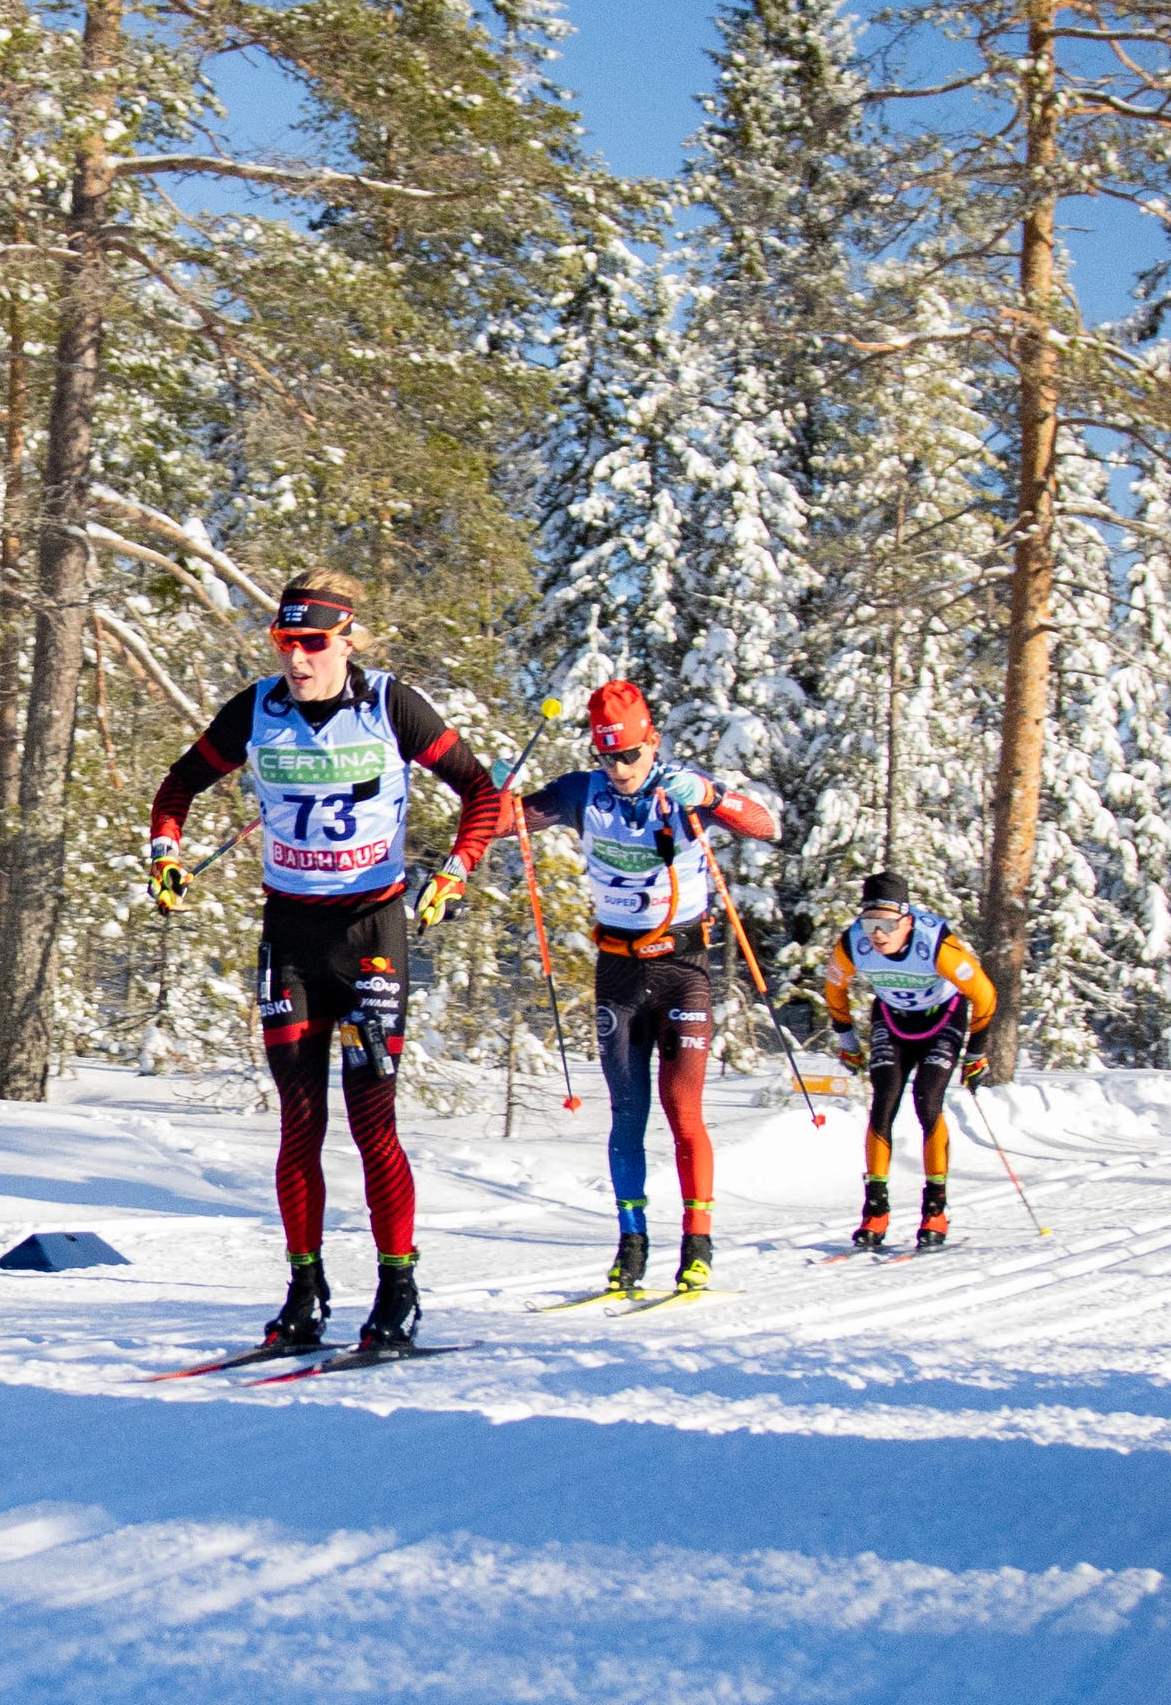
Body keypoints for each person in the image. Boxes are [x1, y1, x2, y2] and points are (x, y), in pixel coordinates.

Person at [143, 578, 512, 1354]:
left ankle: (398, 1289)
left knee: (374, 1122)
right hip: (291, 933)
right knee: (299, 1123)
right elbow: (176, 786)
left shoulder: (390, 705)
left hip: (370, 929)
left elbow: (481, 790)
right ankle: (305, 1290)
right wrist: (165, 852)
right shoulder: (256, 710)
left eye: (314, 644)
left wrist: (456, 868)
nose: (299, 660)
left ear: (347, 640)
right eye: (287, 644)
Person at [505, 682, 781, 1296]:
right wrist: (490, 787)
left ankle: (698, 1244)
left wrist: (713, 796)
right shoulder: (585, 792)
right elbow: (506, 822)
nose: (621, 769)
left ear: (652, 742)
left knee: (684, 1112)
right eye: (609, 757)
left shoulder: (682, 788)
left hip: (683, 970)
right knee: (627, 1116)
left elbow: (766, 825)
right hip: (619, 971)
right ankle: (632, 1244)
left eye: (631, 755)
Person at [822, 871, 997, 1252]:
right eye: (870, 923)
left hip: (943, 1018)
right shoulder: (853, 944)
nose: (877, 934)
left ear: (907, 920)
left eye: (887, 924)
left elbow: (984, 995)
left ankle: (935, 1207)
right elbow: (834, 987)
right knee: (883, 1104)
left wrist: (977, 1053)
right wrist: (847, 1039)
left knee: (927, 1101)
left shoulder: (936, 945)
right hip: (892, 1019)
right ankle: (875, 1209)